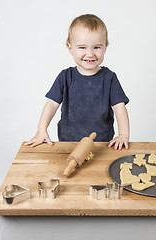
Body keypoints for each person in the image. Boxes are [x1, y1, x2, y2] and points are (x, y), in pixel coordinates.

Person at [25, 14, 130, 150]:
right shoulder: (65, 77)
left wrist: (123, 134)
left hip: (102, 145)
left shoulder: (109, 78)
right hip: (68, 143)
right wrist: (41, 129)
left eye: (97, 47)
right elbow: (51, 104)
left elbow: (120, 108)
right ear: (70, 48)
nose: (90, 53)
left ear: (105, 47)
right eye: (82, 47)